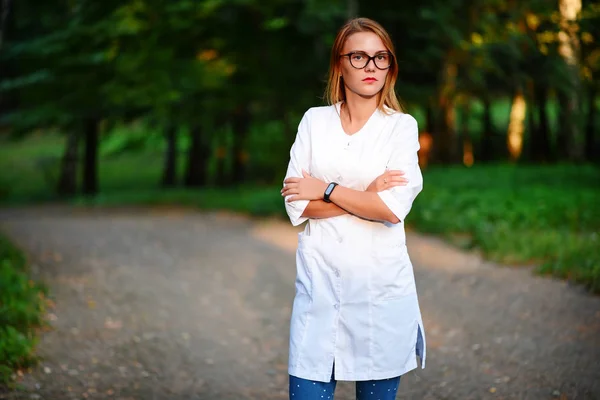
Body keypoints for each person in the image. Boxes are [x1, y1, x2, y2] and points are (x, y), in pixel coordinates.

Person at [280, 17, 427, 400]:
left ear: (390, 67)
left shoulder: (401, 128)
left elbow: (392, 209)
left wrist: (326, 189)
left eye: (381, 58)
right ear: (339, 64)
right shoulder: (314, 122)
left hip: (378, 297)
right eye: (359, 57)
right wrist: (364, 196)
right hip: (320, 292)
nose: (371, 67)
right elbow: (297, 203)